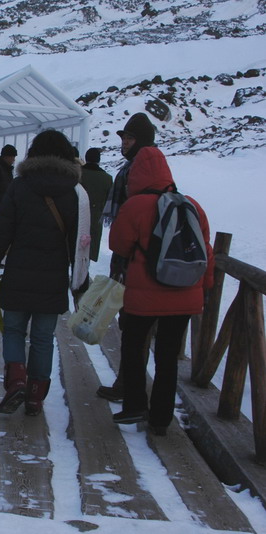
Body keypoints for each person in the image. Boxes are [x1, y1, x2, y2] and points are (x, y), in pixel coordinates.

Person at [0, 130, 90, 416]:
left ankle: (16, 380)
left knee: (15, 330)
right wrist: (79, 282)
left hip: (19, 270)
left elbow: (2, 230)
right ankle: (34, 398)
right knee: (43, 337)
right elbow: (80, 242)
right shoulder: (76, 192)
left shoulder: (19, 186)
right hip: (53, 275)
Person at [109, 146, 213, 435]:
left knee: (133, 347)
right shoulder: (191, 204)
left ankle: (134, 405)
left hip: (144, 296)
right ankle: (161, 419)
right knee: (167, 357)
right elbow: (207, 250)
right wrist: (206, 287)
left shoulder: (136, 205)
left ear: (137, 175)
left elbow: (118, 245)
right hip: (185, 295)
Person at [96, 112, 157, 402]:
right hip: (135, 257)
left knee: (134, 327)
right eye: (123, 138)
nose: (124, 143)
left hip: (136, 259)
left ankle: (131, 390)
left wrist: (123, 256)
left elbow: (133, 217)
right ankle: (129, 385)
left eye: (129, 138)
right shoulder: (139, 167)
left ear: (141, 141)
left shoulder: (139, 170)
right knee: (132, 326)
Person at [81, 148, 113, 262]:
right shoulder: (107, 178)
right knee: (88, 252)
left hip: (77, 217)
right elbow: (108, 202)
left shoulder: (78, 174)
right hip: (95, 220)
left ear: (86, 158)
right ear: (99, 160)